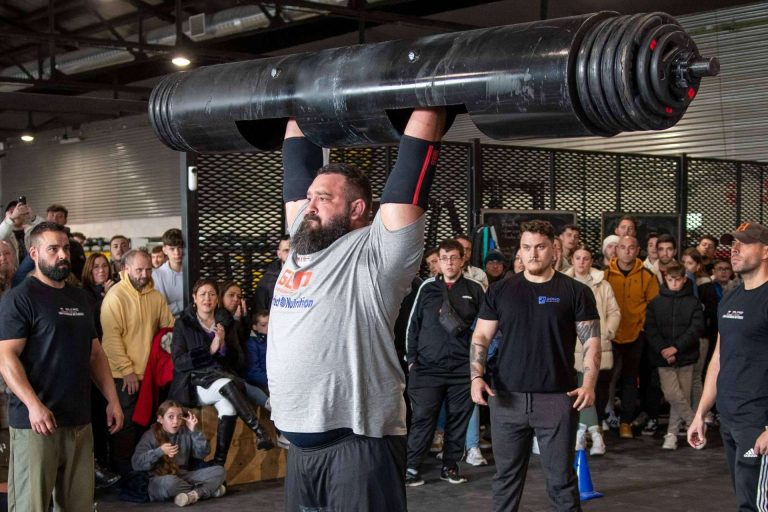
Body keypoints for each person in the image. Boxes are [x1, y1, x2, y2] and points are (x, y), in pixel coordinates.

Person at [269, 108, 445, 511]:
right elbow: (297, 159)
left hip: (357, 442)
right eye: (310, 198)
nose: (309, 206)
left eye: (324, 198)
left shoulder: (377, 253)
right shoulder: (302, 241)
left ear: (357, 210)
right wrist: (300, 101)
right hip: (299, 446)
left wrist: (430, 101)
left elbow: (412, 169)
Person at [470, 220, 601, 512]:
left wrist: (589, 383)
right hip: (506, 399)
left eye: (540, 247)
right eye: (526, 247)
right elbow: (480, 335)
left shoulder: (575, 291)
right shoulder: (501, 291)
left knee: (561, 481)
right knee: (506, 479)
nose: (533, 254)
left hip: (556, 398)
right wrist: (476, 376)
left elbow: (591, 342)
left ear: (554, 249)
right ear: (519, 250)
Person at [0, 221, 124, 511]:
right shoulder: (20, 299)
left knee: (78, 506)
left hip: (79, 420)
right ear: (34, 252)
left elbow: (95, 354)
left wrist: (112, 399)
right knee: (32, 506)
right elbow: (6, 358)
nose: (62, 255)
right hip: (36, 424)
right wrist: (33, 405)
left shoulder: (81, 298)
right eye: (53, 249)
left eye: (65, 248)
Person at [688, 222, 768, 510]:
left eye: (744, 244)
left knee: (758, 506)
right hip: (729, 418)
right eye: (732, 244)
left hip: (759, 421)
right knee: (745, 501)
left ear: (766, 251)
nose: (734, 250)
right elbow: (719, 358)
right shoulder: (731, 297)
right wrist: (701, 412)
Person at [168, 278, 273, 468]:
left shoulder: (224, 322)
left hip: (220, 378)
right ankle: (260, 432)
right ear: (194, 298)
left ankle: (218, 465)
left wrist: (223, 345)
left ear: (217, 299)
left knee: (229, 407)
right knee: (227, 384)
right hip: (193, 383)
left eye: (212, 294)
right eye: (202, 294)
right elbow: (178, 362)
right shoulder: (183, 324)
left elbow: (236, 360)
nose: (207, 298)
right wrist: (209, 350)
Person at [404, 239, 484, 486]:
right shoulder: (427, 288)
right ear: (437, 261)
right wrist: (412, 360)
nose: (448, 262)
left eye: (453, 257)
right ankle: (412, 468)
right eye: (443, 258)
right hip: (427, 369)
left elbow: (485, 330)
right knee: (422, 419)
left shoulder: (475, 289)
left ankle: (450, 467)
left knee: (458, 420)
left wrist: (476, 368)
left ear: (462, 260)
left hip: (461, 369)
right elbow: (412, 325)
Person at [101, 249, 175, 475]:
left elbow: (169, 329)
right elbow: (111, 339)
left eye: (148, 269)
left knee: (145, 426)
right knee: (125, 427)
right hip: (123, 376)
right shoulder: (115, 296)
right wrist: (127, 371)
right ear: (126, 269)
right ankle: (125, 476)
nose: (144, 274)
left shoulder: (156, 297)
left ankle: (143, 474)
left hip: (149, 375)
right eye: (139, 270)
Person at [563, 245, 621, 456]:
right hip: (570, 345)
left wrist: (608, 331)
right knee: (581, 389)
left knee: (592, 390)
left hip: (596, 343)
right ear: (572, 260)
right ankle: (593, 433)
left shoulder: (602, 284)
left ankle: (588, 433)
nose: (581, 262)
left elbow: (613, 311)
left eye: (586, 258)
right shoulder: (563, 283)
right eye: (578, 258)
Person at [604, 235, 660, 438]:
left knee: (630, 380)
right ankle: (604, 418)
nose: (627, 251)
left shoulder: (647, 275)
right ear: (615, 250)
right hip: (611, 336)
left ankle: (625, 422)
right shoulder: (605, 275)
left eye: (631, 248)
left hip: (636, 335)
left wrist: (643, 329)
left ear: (637, 251)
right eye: (622, 247)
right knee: (607, 379)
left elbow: (653, 307)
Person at [645, 262, 704, 450]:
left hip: (685, 355)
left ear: (684, 280)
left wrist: (675, 348)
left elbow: (696, 328)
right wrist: (664, 349)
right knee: (672, 394)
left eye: (677, 280)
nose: (674, 283)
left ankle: (672, 434)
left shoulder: (693, 302)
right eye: (670, 280)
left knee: (682, 396)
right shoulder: (656, 303)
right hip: (663, 356)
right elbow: (651, 329)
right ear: (665, 279)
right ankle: (694, 424)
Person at [131, 400, 226, 506]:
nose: (176, 421)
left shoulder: (185, 431)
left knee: (219, 471)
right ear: (160, 419)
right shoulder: (150, 436)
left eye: (179, 417)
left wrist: (194, 432)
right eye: (171, 417)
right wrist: (160, 451)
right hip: (160, 479)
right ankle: (207, 491)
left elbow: (203, 453)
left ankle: (193, 495)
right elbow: (136, 463)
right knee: (170, 483)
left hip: (182, 474)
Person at [81, 252, 120, 486]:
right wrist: (104, 297)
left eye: (104, 266)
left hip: (110, 359)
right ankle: (95, 465)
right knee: (95, 415)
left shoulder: (115, 291)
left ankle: (106, 463)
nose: (101, 270)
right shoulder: (83, 295)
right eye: (96, 267)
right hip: (91, 359)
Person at [252, 235, 290, 312]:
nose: (291, 255)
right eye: (287, 250)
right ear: (279, 254)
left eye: (294, 251)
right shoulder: (267, 281)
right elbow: (260, 313)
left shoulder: (308, 275)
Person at [153, 228, 185, 316]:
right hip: (169, 326)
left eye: (180, 248)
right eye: (172, 249)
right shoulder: (156, 275)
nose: (177, 253)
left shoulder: (193, 271)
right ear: (164, 250)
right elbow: (159, 310)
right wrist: (185, 303)